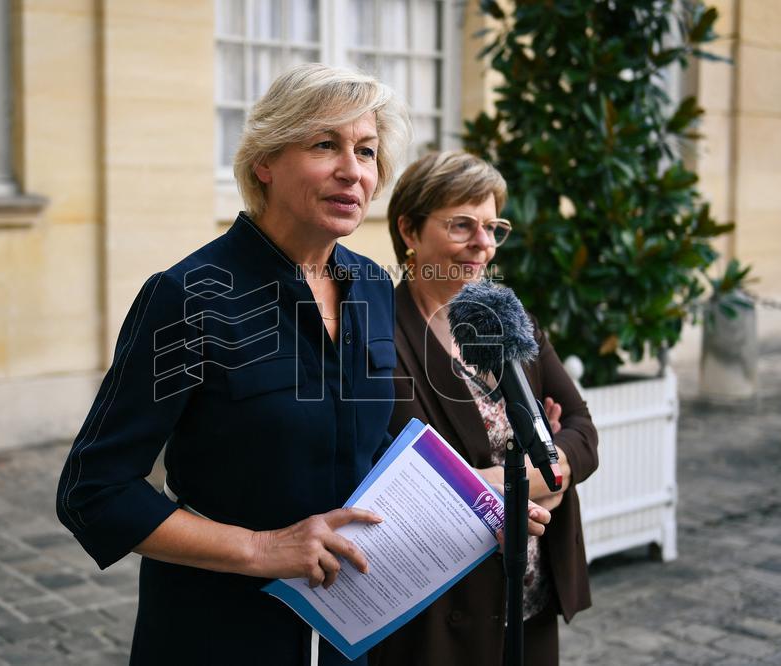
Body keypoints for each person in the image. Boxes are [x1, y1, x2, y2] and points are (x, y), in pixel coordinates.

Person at [56, 64, 412, 666]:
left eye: (367, 151)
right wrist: (261, 548)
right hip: (218, 634)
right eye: (325, 144)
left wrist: (475, 510)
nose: (353, 169)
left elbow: (370, 448)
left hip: (349, 630)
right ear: (263, 164)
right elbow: (94, 490)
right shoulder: (188, 296)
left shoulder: (375, 287)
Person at [370, 151, 599, 666]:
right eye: (462, 225)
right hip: (447, 609)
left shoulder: (509, 317)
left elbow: (583, 431)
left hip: (530, 597)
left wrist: (532, 475)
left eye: (493, 226)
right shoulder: (380, 334)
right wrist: (547, 477)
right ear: (409, 229)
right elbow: (431, 487)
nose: (484, 243)